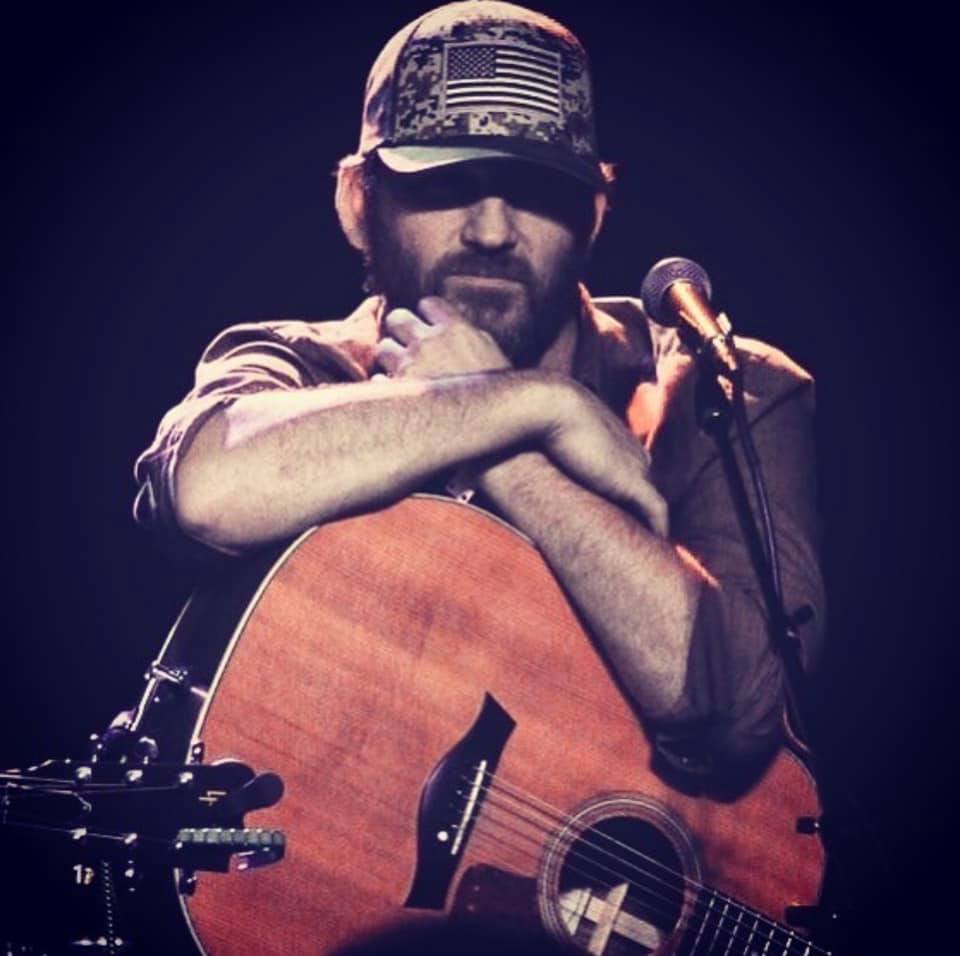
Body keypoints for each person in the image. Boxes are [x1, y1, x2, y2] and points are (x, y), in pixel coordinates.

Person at [133, 0, 824, 776]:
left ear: (595, 215)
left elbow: (736, 712)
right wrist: (541, 403)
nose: (492, 231)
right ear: (359, 204)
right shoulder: (303, 367)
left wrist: (512, 454)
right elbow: (204, 495)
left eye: (536, 191)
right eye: (447, 184)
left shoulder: (718, 387)